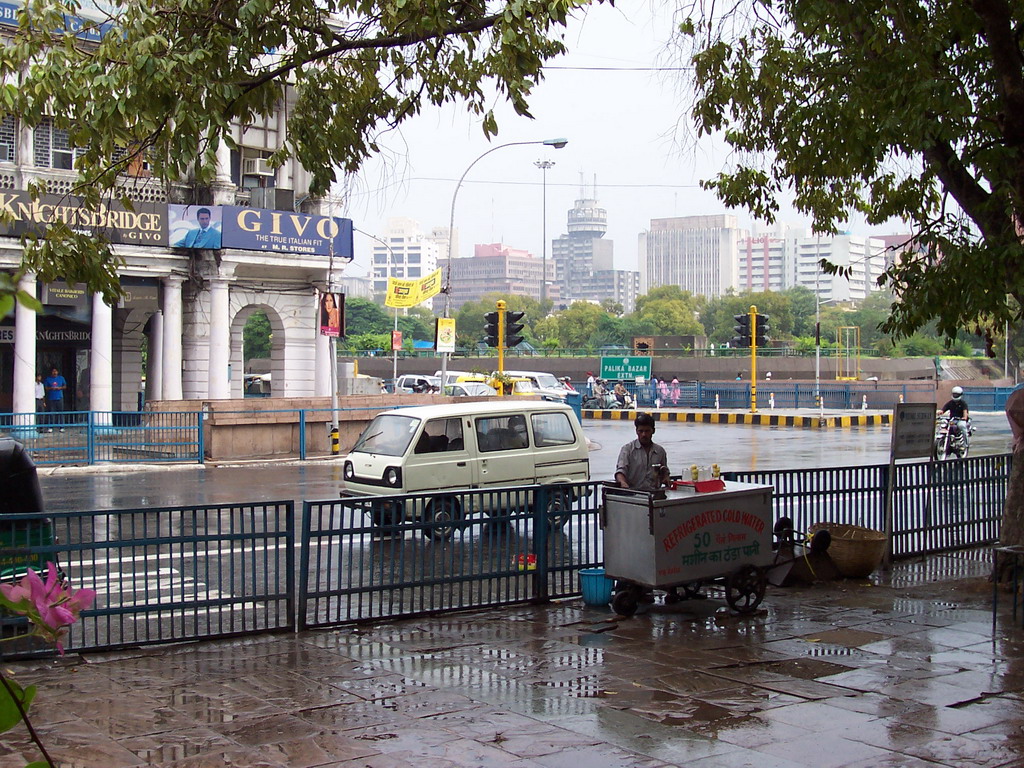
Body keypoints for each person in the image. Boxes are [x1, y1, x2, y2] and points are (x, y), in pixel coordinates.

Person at [615, 413, 670, 492]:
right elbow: (621, 471)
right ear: (636, 431)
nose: (644, 434)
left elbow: (664, 471)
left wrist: (666, 478)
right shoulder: (627, 449)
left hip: (654, 495)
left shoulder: (660, 451)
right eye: (641, 431)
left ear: (653, 431)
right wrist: (622, 483)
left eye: (647, 431)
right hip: (633, 495)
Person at [43, 366, 66, 432]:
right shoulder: (48, 379)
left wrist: (60, 388)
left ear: (57, 372)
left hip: (59, 397)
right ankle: (50, 427)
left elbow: (65, 386)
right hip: (51, 398)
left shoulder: (61, 378)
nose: (54, 372)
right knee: (51, 413)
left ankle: (62, 427)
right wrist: (51, 388)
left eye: (55, 371)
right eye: (53, 371)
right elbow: (46, 388)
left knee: (61, 412)